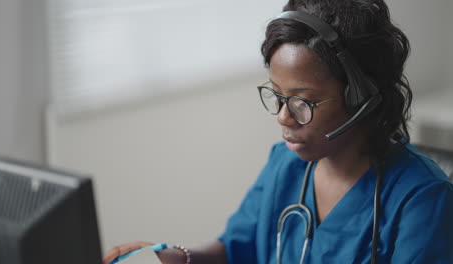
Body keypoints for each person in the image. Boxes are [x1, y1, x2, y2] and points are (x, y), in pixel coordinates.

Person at [103, 0, 453, 263]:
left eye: (303, 102)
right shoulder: (286, 163)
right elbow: (234, 248)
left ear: (361, 97)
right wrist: (176, 258)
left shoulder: (422, 199)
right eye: (277, 96)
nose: (283, 117)